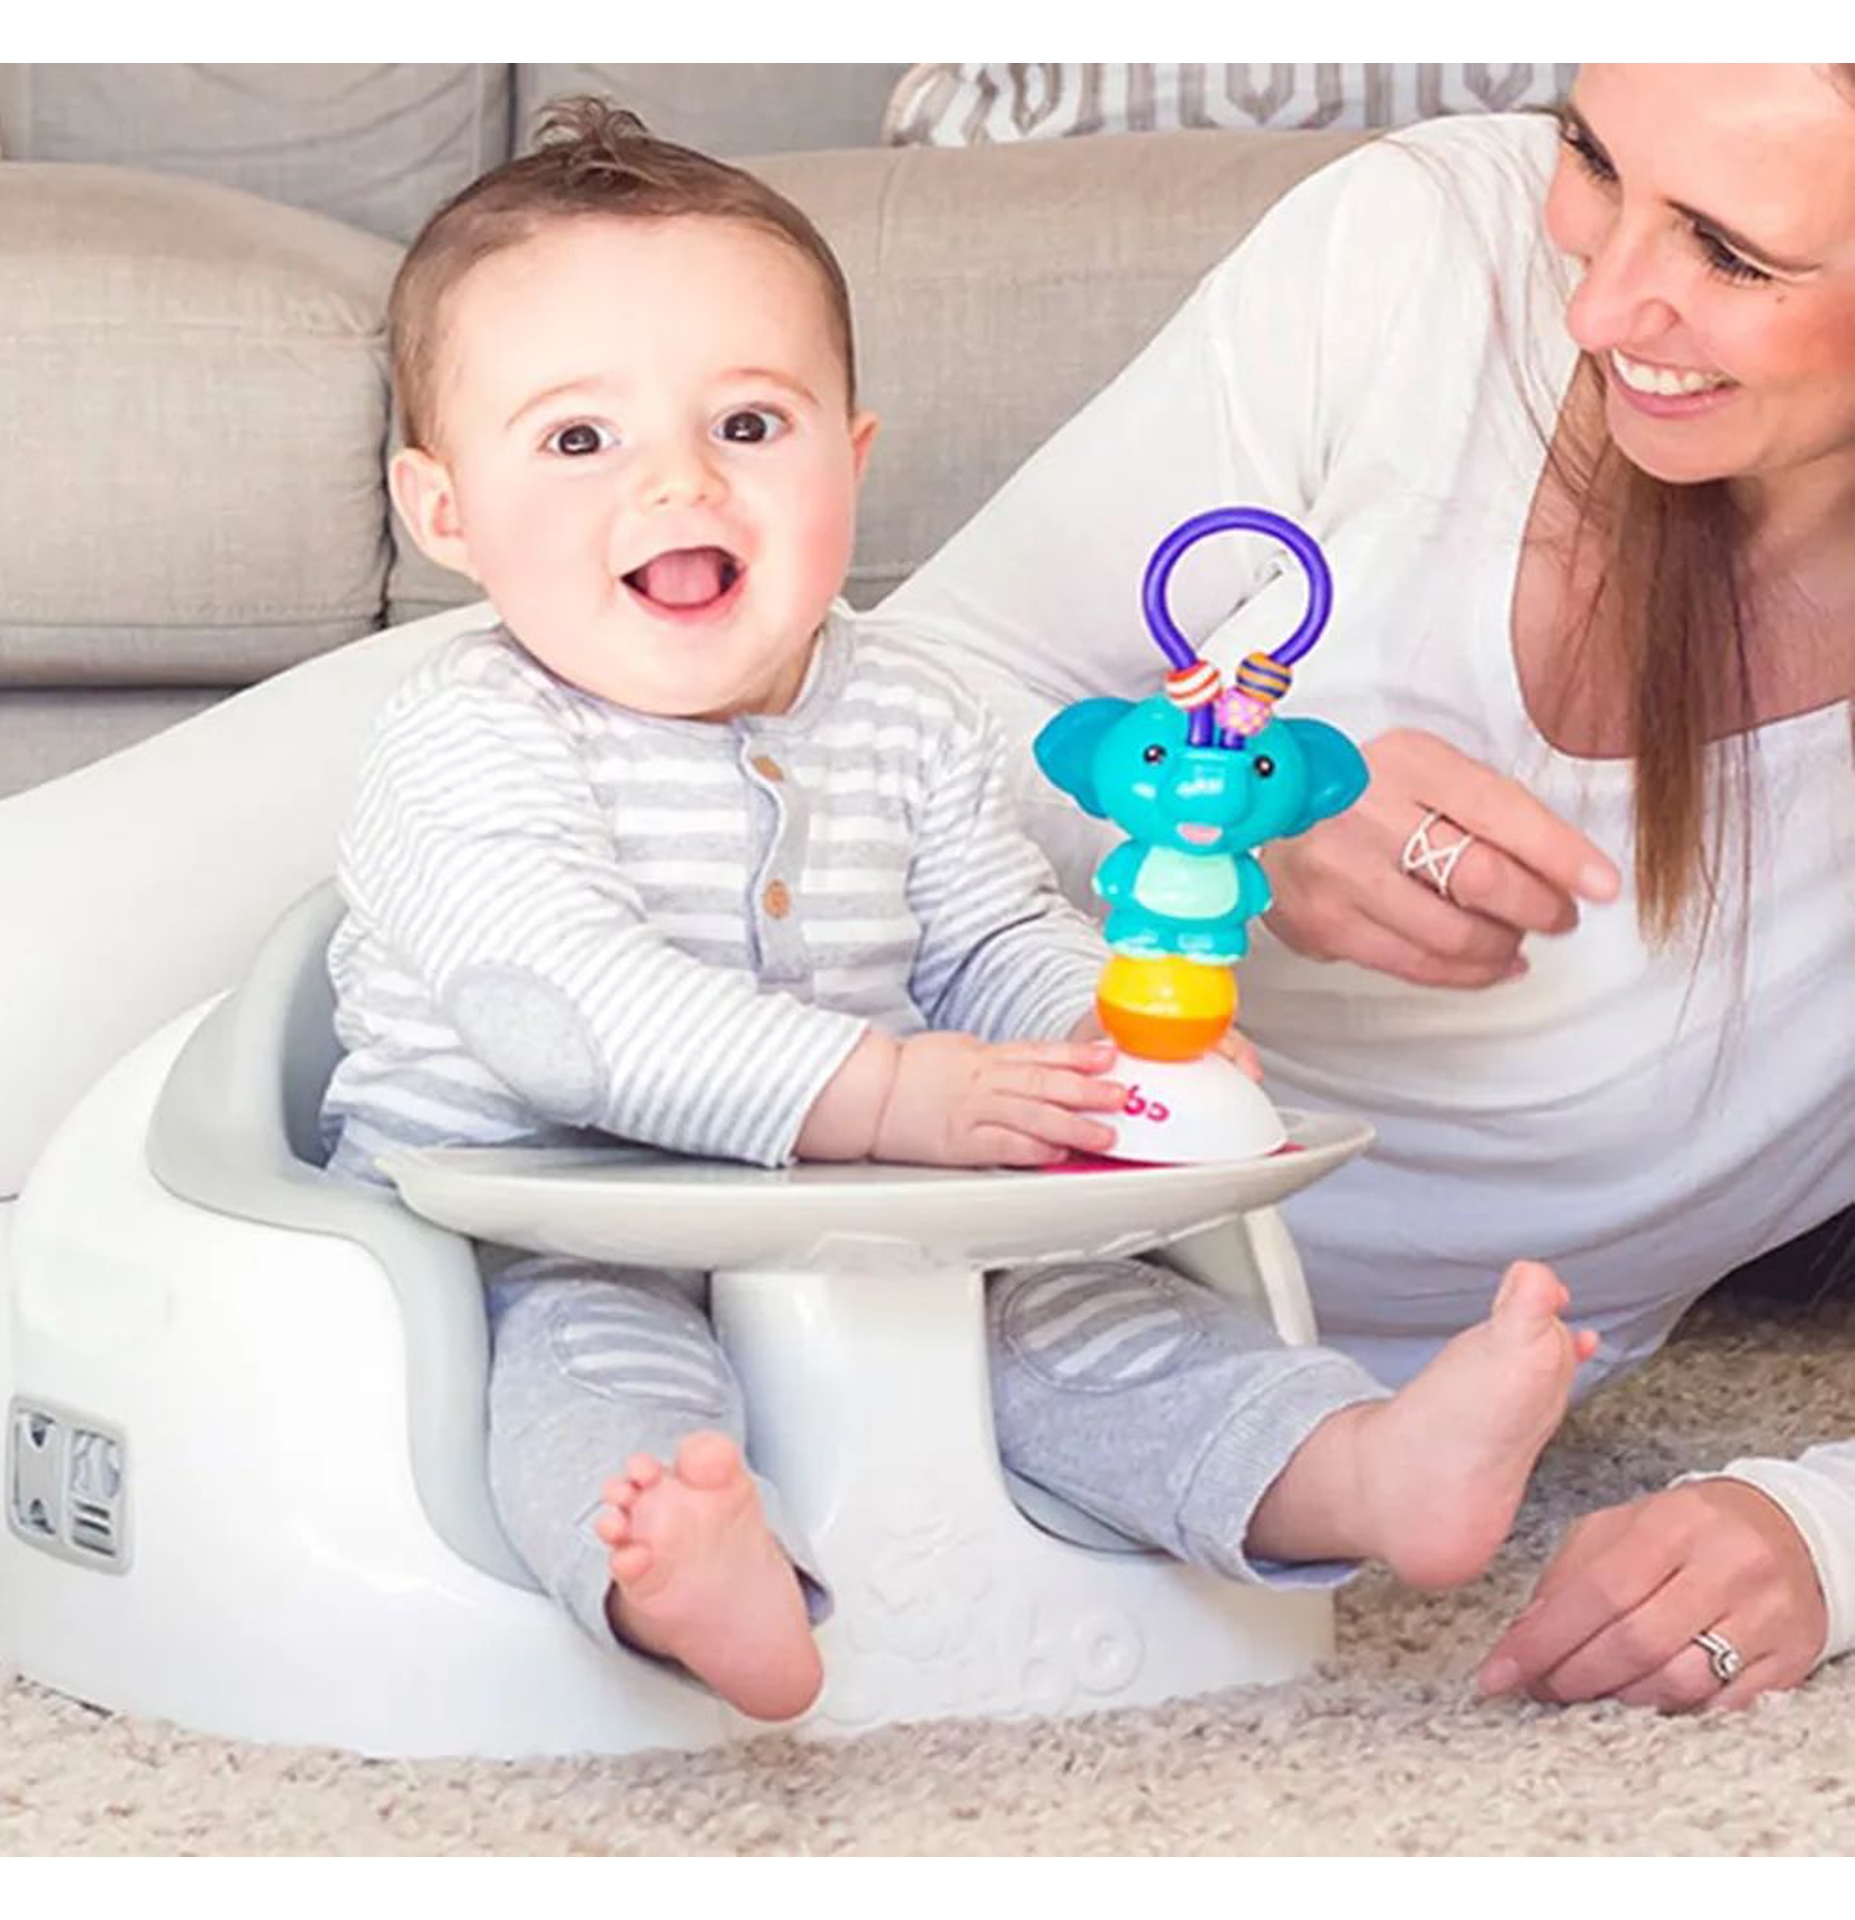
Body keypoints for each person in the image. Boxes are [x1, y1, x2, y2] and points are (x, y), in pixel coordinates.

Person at [320, 99, 1595, 1722]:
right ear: (443, 511)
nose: (678, 481)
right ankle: (690, 1578)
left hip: (876, 1225)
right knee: (584, 1383)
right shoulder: (467, 737)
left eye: (749, 424)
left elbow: (988, 931)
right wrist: (886, 1093)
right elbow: (557, 1010)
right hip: (547, 1222)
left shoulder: (907, 712)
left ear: (851, 460)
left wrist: (1106, 1040)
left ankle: (1356, 1469)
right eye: (580, 441)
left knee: (1096, 1325)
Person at [873, 63, 1855, 1715]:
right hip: (910, 1159)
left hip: (1321, 1393)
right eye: (1593, 158)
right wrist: (1206, 824)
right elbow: (886, 715)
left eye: (1733, 255)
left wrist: (1822, 1533)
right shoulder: (1429, 254)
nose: (1596, 302)